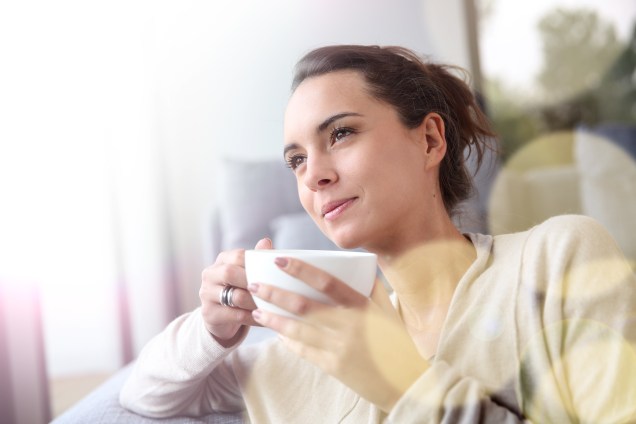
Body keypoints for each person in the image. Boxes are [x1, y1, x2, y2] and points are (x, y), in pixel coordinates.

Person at [120, 45, 636, 422]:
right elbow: (145, 394)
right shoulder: (305, 344)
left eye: (340, 133)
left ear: (430, 140)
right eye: (296, 160)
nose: (313, 174)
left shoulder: (557, 259)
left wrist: (401, 379)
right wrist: (209, 328)